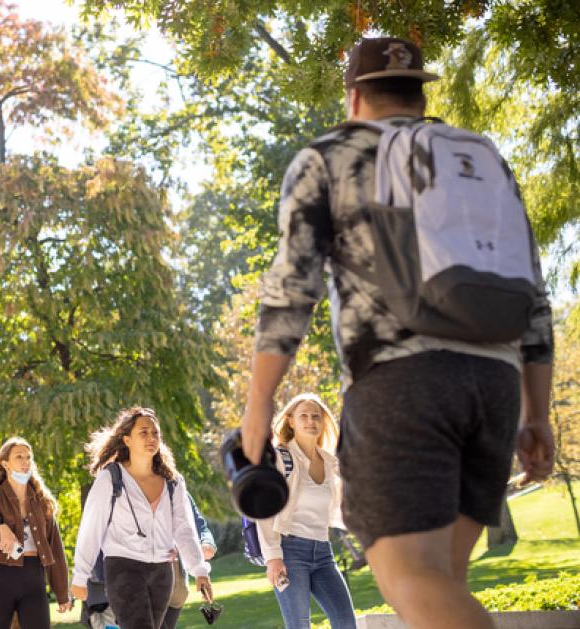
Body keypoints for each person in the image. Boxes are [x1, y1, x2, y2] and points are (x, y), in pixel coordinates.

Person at [239, 36, 555, 629]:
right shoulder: (478, 157)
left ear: (354, 97)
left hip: (402, 387)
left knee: (411, 579)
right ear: (418, 93)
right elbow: (533, 294)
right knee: (442, 585)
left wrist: (259, 404)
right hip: (495, 385)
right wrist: (536, 413)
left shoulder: (333, 153)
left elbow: (291, 291)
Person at [71, 407, 213, 629]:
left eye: (155, 433)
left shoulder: (172, 481)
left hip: (162, 572)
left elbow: (184, 530)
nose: (152, 438)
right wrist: (80, 576)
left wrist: (199, 571)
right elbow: (91, 528)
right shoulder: (111, 478)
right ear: (127, 440)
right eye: (144, 432)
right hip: (123, 568)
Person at [255, 394, 355, 629]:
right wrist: (273, 556)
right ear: (291, 421)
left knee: (346, 622)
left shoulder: (331, 463)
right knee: (299, 625)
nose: (311, 421)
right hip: (289, 553)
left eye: (316, 416)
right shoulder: (280, 457)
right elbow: (263, 508)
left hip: (322, 552)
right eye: (304, 416)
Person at [0, 436, 72, 629]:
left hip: (34, 580)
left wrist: (62, 592)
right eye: (19, 457)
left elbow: (55, 549)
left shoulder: (42, 501)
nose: (25, 462)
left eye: (28, 457)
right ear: (5, 464)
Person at [160, 493, 216, 629]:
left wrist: (207, 542)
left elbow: (199, 526)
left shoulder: (177, 489)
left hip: (177, 588)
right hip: (146, 585)